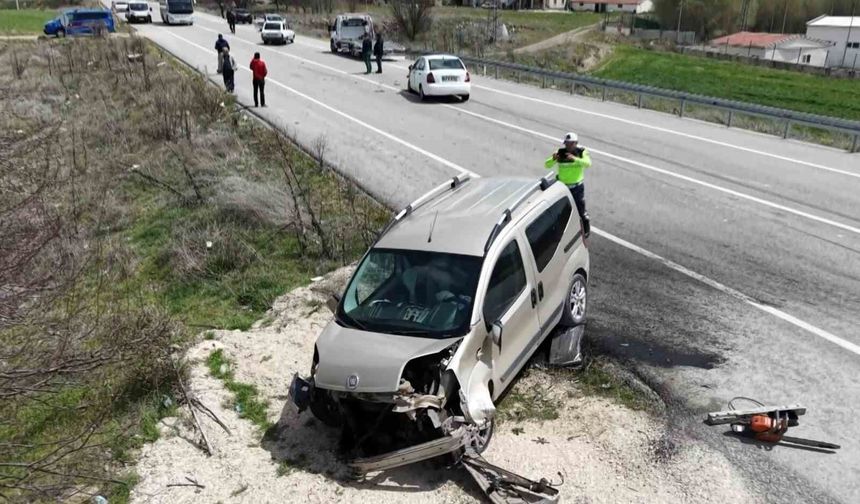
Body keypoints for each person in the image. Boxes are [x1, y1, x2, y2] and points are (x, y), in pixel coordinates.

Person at [545, 132, 592, 237]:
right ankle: (562, 232)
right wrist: (553, 159)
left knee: (581, 210)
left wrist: (574, 159)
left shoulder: (582, 152)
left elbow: (588, 163)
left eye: (571, 144)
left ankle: (586, 227)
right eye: (566, 144)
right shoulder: (560, 153)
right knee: (562, 210)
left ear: (576, 143)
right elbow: (547, 165)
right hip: (563, 187)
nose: (568, 146)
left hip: (577, 187)